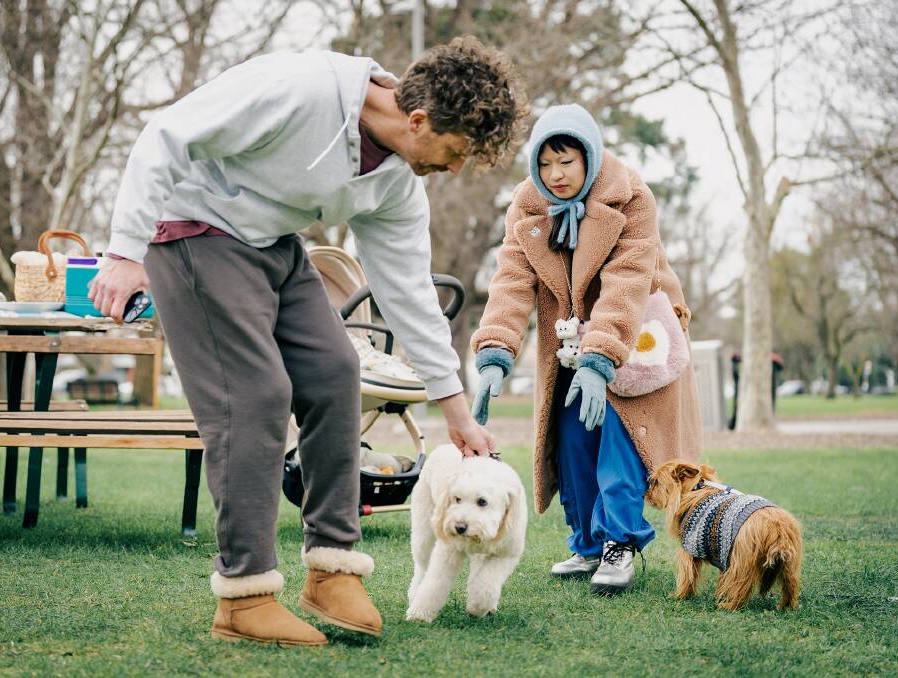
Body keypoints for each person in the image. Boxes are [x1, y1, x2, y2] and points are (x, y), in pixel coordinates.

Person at [89, 37, 527, 646]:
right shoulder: (301, 88)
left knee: (335, 374)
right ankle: (244, 596)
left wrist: (456, 411)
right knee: (256, 398)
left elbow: (409, 291)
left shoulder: (396, 183)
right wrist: (123, 251)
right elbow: (166, 135)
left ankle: (331, 568)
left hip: (274, 244)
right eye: (454, 153)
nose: (454, 170)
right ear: (418, 120)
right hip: (194, 229)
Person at [470, 104, 701, 596]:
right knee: (573, 436)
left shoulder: (631, 197)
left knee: (620, 438)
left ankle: (620, 542)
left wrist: (600, 360)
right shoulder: (527, 206)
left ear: (589, 157)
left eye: (566, 161)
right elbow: (511, 281)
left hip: (637, 337)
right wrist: (495, 351)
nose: (555, 174)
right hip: (571, 344)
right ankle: (588, 543)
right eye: (545, 163)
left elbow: (627, 282)